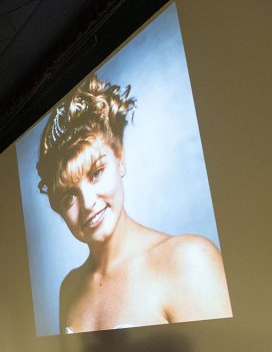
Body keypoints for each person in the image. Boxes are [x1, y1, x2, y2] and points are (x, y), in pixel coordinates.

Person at [36, 74, 232, 334]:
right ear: (56, 207)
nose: (88, 203)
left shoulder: (190, 260)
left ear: (120, 157)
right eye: (69, 196)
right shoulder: (69, 287)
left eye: (96, 173)